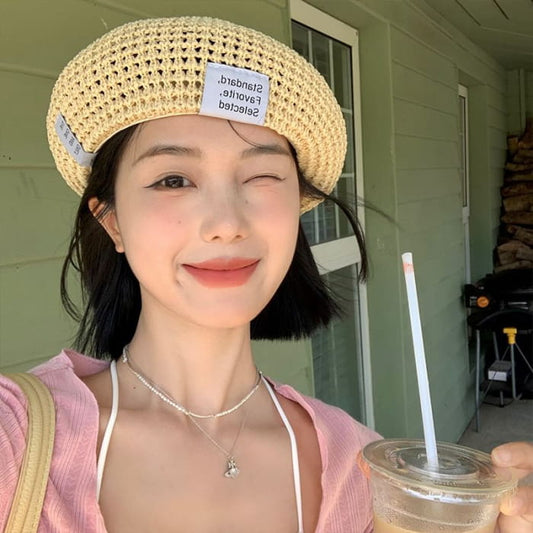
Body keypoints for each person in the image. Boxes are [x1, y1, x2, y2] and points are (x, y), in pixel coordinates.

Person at [0, 16, 531, 533]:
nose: (226, 224)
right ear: (112, 221)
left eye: (261, 175)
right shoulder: (17, 438)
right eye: (174, 180)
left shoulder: (359, 467)